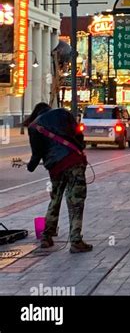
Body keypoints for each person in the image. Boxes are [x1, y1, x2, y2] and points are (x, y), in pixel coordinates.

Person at [24, 103, 92, 254]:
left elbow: (37, 154)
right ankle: (75, 241)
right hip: (74, 162)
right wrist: (79, 147)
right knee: (76, 201)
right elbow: (78, 134)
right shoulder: (62, 113)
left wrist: (30, 166)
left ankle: (46, 237)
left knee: (55, 199)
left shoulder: (34, 127)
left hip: (55, 168)